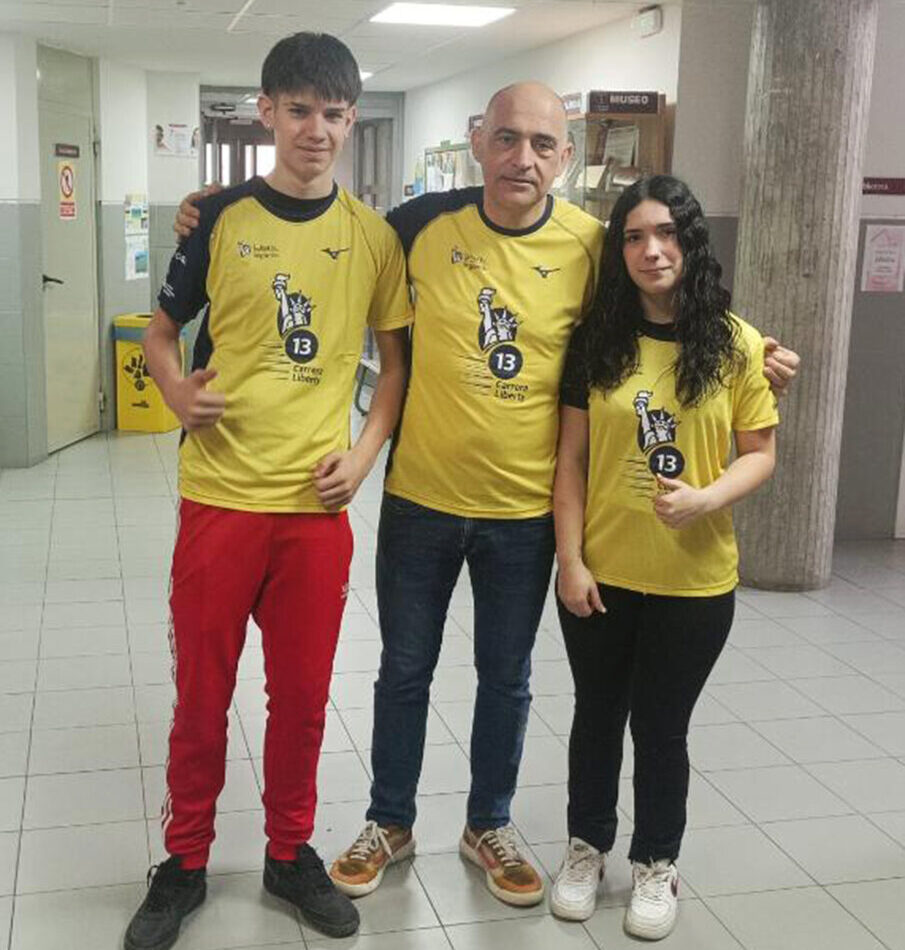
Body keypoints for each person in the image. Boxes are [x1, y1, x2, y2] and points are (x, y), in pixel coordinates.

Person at [173, 83, 800, 910]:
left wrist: (757, 350)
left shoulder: (589, 245)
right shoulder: (417, 225)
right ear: (478, 141)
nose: (524, 158)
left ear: (566, 158)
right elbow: (317, 216)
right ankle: (389, 820)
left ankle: (487, 824)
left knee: (505, 679)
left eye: (543, 145)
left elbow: (670, 295)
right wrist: (210, 205)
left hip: (524, 513)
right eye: (507, 139)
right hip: (419, 501)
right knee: (401, 671)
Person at [124, 33, 412, 950]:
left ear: (350, 119)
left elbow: (394, 365)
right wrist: (171, 387)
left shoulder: (372, 235)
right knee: (202, 697)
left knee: (302, 697)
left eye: (333, 114)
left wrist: (364, 455)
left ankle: (291, 853)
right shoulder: (215, 218)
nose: (316, 131)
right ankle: (184, 862)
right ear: (266, 113)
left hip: (315, 515)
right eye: (298, 111)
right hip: (218, 500)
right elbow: (161, 333)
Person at [550, 175, 778, 939]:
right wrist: (569, 561)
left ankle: (656, 863)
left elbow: (759, 452)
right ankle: (586, 848)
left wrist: (707, 499)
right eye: (635, 237)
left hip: (694, 580)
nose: (652, 251)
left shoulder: (737, 343)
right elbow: (571, 460)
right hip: (603, 575)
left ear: (689, 242)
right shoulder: (597, 340)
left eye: (667, 234)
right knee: (595, 717)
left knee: (661, 726)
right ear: (618, 251)